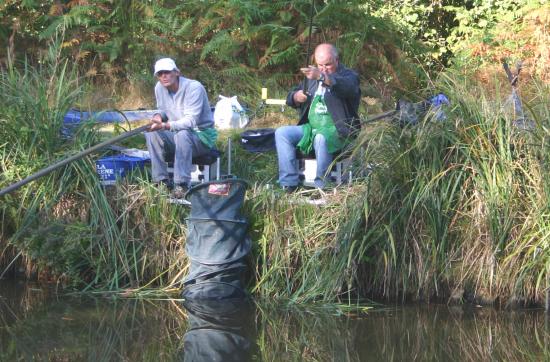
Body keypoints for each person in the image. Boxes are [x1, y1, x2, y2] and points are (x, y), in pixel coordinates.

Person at [275, 43, 361, 192]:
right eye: (320, 65)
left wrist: (322, 77)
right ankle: (289, 183)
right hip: (312, 128)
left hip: (339, 129)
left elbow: (345, 87)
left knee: (321, 138)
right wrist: (296, 97)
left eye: (327, 65)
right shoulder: (311, 78)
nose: (323, 69)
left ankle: (322, 185)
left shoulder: (348, 76)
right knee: (282, 133)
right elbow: (291, 97)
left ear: (337, 60)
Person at [145, 58, 217, 198]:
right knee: (151, 133)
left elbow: (191, 121)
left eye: (167, 72)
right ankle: (161, 181)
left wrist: (166, 125)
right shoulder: (159, 88)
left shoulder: (194, 87)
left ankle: (181, 185)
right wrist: (158, 116)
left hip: (201, 137)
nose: (163, 76)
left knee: (182, 133)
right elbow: (163, 110)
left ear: (177, 72)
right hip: (177, 133)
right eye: (160, 74)